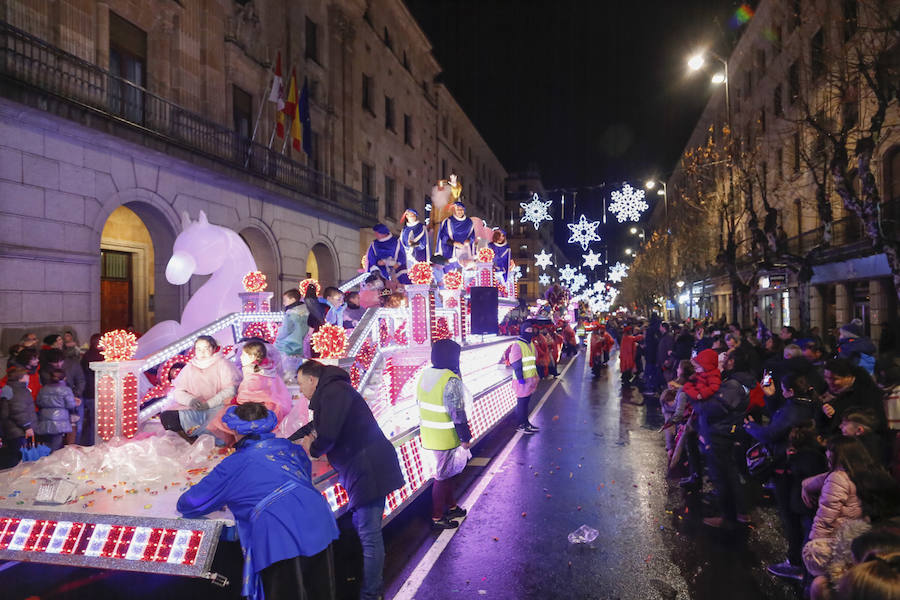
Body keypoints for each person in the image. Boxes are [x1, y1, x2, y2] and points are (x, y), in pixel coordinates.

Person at [177, 402, 339, 600]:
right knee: (320, 590)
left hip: (278, 530)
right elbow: (302, 476)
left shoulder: (234, 464)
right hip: (318, 516)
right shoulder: (289, 448)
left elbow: (189, 502)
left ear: (236, 430)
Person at [289, 360, 404, 600]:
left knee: (369, 534)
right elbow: (323, 424)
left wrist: (313, 448)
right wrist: (290, 438)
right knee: (367, 531)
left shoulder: (333, 392)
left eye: (301, 384)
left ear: (312, 379)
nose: (301, 391)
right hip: (365, 466)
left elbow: (328, 434)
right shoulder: (334, 391)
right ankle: (371, 589)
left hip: (367, 468)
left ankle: (371, 594)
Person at [746, 373, 820, 580]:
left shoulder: (794, 409)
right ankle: (802, 562)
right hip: (801, 468)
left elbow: (772, 433)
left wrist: (751, 427)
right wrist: (770, 398)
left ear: (789, 390)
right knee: (801, 517)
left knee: (791, 517)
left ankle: (796, 563)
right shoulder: (809, 404)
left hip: (789, 469)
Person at [417, 339, 472, 529]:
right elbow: (457, 412)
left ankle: (452, 506)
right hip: (445, 437)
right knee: (441, 478)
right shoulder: (450, 379)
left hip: (429, 435)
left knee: (446, 474)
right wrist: (465, 437)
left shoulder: (425, 374)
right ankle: (437, 516)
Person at [695, 350, 754, 528]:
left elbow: (715, 407)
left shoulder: (734, 385)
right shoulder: (738, 382)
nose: (725, 361)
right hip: (726, 431)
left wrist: (700, 403)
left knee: (721, 475)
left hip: (720, 433)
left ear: (733, 362)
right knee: (729, 472)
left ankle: (726, 515)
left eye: (727, 358)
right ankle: (740, 512)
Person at [206, 341, 293, 447]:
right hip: (275, 406)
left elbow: (246, 398)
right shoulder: (267, 368)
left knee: (223, 416)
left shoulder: (253, 375)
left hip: (261, 410)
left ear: (252, 357)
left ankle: (233, 443)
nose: (241, 357)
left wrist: (233, 400)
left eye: (243, 355)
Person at [159, 336, 240, 440]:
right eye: (198, 349)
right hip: (196, 408)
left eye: (206, 348)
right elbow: (178, 391)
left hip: (219, 406)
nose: (202, 352)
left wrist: (209, 404)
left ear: (214, 348)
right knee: (167, 416)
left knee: (222, 423)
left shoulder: (223, 364)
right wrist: (190, 400)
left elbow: (230, 390)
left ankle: (208, 438)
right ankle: (192, 439)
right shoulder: (190, 366)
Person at [820, 359, 886, 437]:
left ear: (849, 377)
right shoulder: (826, 390)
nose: (829, 382)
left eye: (834, 379)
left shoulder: (866, 393)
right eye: (826, 377)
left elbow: (871, 420)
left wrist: (836, 415)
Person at [505, 320, 540, 434]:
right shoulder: (517, 345)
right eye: (527, 330)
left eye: (531, 330)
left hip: (531, 379)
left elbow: (534, 360)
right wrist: (520, 378)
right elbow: (515, 363)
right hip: (522, 380)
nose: (530, 332)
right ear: (523, 331)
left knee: (526, 403)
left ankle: (526, 423)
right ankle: (521, 424)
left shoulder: (531, 344)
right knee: (522, 403)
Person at [34, 367, 78, 451]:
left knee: (46, 446)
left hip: (44, 419)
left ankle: (44, 462)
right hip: (60, 421)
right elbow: (70, 405)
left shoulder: (43, 389)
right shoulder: (66, 390)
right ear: (64, 378)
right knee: (55, 447)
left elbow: (38, 402)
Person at [0, 366, 36, 468]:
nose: (28, 377)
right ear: (21, 378)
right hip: (18, 430)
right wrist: (27, 426)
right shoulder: (18, 391)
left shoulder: (8, 388)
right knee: (18, 459)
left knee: (13, 456)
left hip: (11, 429)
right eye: (26, 375)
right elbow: (18, 411)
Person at [274, 289, 310, 377]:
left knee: (285, 374)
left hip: (287, 346)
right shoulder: (307, 311)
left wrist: (276, 339)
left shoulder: (291, 313)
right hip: (301, 346)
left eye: (285, 300)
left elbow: (286, 330)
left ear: (293, 300)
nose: (284, 303)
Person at [435, 202, 475, 270]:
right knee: (451, 275)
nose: (459, 211)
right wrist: (453, 243)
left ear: (464, 210)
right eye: (458, 209)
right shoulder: (448, 221)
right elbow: (443, 236)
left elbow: (472, 235)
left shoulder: (469, 222)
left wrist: (469, 241)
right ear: (454, 210)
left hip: (465, 254)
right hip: (450, 253)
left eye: (461, 209)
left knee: (463, 275)